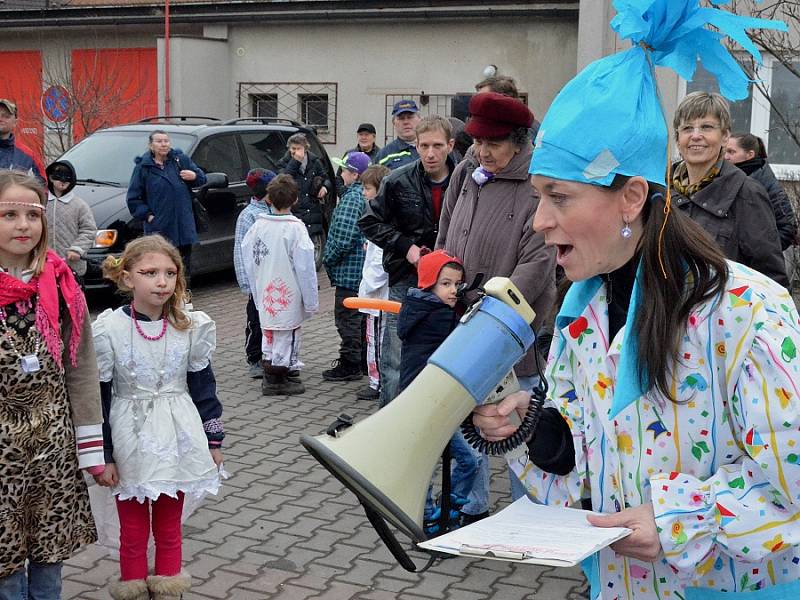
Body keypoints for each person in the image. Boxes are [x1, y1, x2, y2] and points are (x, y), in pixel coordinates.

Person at [472, 2, 799, 598]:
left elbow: (791, 487)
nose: (540, 220)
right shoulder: (582, 314)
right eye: (538, 196)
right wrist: (530, 432)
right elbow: (582, 471)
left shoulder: (752, 314)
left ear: (630, 197)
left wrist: (679, 521)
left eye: (560, 198)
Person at [437, 91, 556, 524]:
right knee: (471, 424)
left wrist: (495, 318)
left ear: (519, 141)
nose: (483, 151)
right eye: (478, 141)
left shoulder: (535, 185)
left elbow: (538, 263)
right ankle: (474, 508)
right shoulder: (467, 172)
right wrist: (441, 283)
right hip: (461, 322)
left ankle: (532, 518)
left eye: (494, 144)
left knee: (517, 431)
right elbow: (446, 232)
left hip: (509, 333)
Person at [93, 235, 224, 600]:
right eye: (150, 272)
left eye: (170, 273)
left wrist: (213, 440)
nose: (162, 281)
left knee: (169, 526)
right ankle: (133, 588)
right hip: (129, 438)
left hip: (178, 436)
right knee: (133, 531)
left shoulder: (189, 326)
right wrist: (103, 454)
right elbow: (99, 396)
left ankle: (169, 588)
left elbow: (203, 386)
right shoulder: (108, 330)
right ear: (128, 278)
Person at [0, 170, 105, 599]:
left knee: (49, 543)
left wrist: (90, 442)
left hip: (50, 437)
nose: (23, 225)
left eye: (32, 214)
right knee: (3, 549)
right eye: (9, 214)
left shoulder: (60, 282)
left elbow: (80, 365)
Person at [359, 115, 457, 407]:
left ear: (450, 146)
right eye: (424, 145)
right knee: (396, 359)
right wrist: (407, 248)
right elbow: (369, 221)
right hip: (406, 279)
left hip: (451, 284)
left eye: (437, 145)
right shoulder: (398, 180)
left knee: (445, 358)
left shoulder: (466, 180)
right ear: (415, 145)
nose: (430, 153)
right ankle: (389, 427)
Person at [396, 250, 477, 534]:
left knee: (447, 462)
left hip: (422, 401)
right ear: (429, 283)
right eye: (446, 284)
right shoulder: (439, 315)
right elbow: (465, 339)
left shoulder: (420, 307)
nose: (454, 290)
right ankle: (435, 519)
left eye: (457, 284)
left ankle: (439, 515)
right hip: (425, 404)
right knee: (461, 462)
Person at [671, 92, 789, 287]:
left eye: (707, 127)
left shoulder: (747, 193)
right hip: (667, 314)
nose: (696, 136)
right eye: (687, 128)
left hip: (724, 315)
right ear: (678, 138)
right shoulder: (662, 189)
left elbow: (771, 278)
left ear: (725, 136)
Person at [241, 174, 319, 396]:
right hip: (288, 292)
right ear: (295, 200)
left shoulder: (258, 227)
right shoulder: (295, 229)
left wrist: (256, 289)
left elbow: (249, 259)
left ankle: (273, 371)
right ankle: (277, 378)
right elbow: (305, 268)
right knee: (287, 334)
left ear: (269, 199)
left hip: (265, 290)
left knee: (270, 334)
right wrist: (311, 300)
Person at [126, 130, 207, 279]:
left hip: (183, 225)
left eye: (166, 141)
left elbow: (202, 178)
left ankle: (183, 299)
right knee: (163, 268)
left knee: (183, 269)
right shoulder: (143, 168)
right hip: (160, 227)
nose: (164, 144)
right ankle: (165, 300)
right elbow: (133, 199)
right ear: (151, 145)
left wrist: (194, 175)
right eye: (159, 141)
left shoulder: (179, 160)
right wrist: (149, 216)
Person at [322, 152, 371, 382]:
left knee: (347, 318)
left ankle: (351, 362)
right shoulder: (363, 195)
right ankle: (362, 360)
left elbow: (343, 237)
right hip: (359, 272)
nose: (340, 174)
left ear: (354, 174)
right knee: (359, 318)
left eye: (344, 170)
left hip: (349, 272)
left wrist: (327, 259)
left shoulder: (353, 198)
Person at [234, 168, 277, 379]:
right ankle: (254, 357)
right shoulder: (249, 216)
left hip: (273, 278)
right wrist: (247, 282)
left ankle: (273, 354)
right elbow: (240, 251)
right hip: (256, 281)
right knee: (256, 320)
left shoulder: (275, 211)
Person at [355, 164, 391, 402]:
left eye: (367, 188)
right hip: (376, 296)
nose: (364, 193)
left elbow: (379, 265)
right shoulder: (380, 217)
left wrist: (365, 290)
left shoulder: (380, 220)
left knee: (376, 340)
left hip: (377, 297)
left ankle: (377, 382)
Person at [725, 132, 796, 250]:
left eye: (731, 152)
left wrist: (760, 252)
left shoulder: (766, 184)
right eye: (724, 151)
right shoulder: (727, 177)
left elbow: (787, 229)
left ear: (750, 155)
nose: (726, 156)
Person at [44, 159, 97, 283]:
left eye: (67, 177)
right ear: (50, 178)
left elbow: (89, 230)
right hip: (45, 264)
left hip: (72, 265)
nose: (62, 181)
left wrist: (77, 249)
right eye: (58, 176)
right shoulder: (42, 202)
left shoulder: (79, 205)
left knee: (73, 299)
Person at [278, 133, 332, 243]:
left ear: (305, 149)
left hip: (313, 212)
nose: (296, 151)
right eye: (293, 148)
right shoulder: (284, 162)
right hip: (295, 212)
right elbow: (283, 180)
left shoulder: (314, 161)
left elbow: (326, 178)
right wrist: (295, 161)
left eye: (299, 148)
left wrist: (325, 187)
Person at [0, 98, 44, 179]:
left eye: (6, 116)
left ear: (15, 122)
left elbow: (42, 188)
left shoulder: (29, 157)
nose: (0, 119)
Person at [335, 123, 380, 197]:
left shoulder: (380, 155)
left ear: (374, 137)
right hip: (350, 197)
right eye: (361, 135)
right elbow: (339, 177)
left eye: (366, 135)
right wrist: (343, 193)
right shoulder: (349, 154)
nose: (363, 137)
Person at [375, 100, 421, 170]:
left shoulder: (431, 148)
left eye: (410, 117)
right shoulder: (384, 155)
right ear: (394, 123)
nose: (406, 122)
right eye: (401, 118)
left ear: (419, 120)